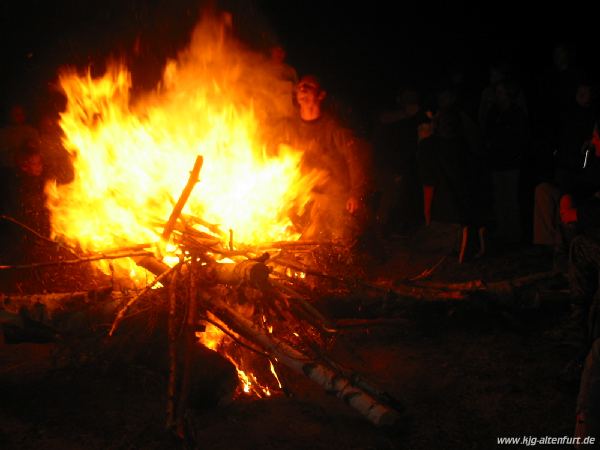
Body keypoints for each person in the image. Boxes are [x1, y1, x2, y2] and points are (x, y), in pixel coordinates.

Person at [277, 74, 373, 244]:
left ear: (321, 96)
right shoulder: (290, 128)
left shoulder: (333, 129)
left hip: (333, 196)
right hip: (301, 196)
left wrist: (356, 194)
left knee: (336, 238)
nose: (302, 89)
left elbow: (355, 161)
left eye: (309, 86)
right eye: (300, 86)